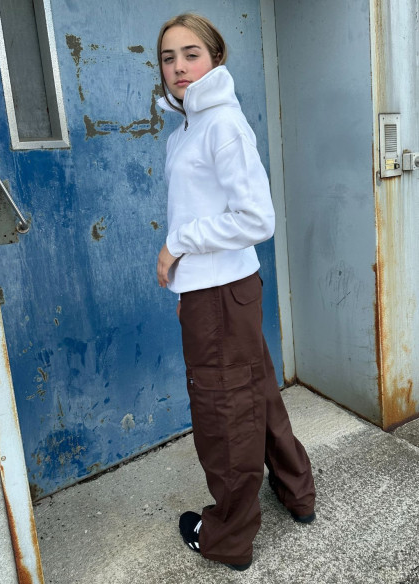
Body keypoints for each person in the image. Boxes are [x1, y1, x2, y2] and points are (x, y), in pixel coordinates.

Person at [156, 13, 315, 572]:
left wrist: (177, 246)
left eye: (191, 54)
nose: (179, 66)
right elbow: (199, 206)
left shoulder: (220, 123)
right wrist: (186, 282)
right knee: (257, 394)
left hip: (221, 297)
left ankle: (228, 537)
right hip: (219, 291)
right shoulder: (187, 129)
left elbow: (255, 218)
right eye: (169, 57)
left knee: (224, 414)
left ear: (216, 58)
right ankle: (297, 491)